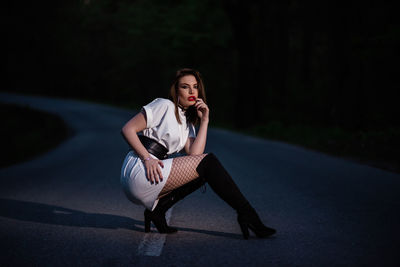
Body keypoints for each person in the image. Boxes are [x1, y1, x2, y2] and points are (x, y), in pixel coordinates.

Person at [120, 68, 276, 239]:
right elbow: (128, 129)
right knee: (209, 163)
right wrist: (147, 158)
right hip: (141, 168)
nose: (192, 91)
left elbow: (195, 156)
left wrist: (205, 121)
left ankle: (158, 211)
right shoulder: (164, 105)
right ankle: (248, 215)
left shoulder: (187, 123)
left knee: (203, 170)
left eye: (195, 87)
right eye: (185, 87)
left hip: (154, 171)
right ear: (176, 90)